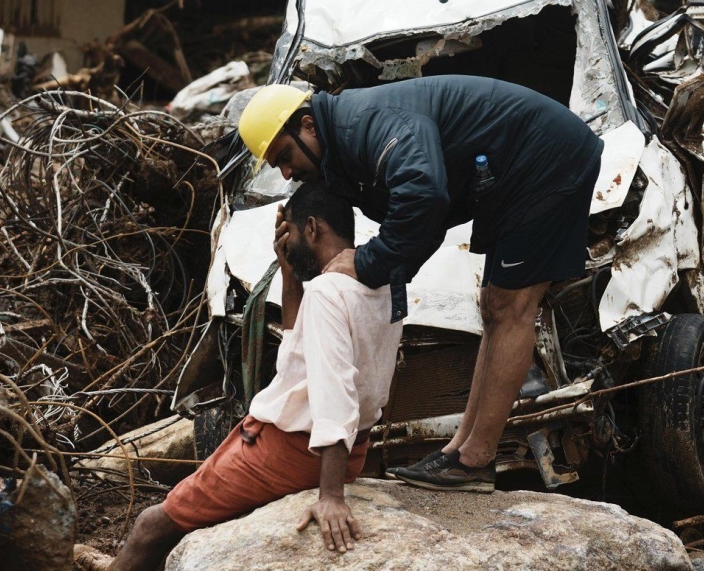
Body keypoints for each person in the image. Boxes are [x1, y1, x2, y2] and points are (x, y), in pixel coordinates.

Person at [237, 75, 603, 493]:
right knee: (492, 307)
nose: (288, 171)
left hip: (545, 158)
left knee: (512, 307)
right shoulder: (342, 147)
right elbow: (424, 219)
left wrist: (370, 262)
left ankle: (475, 460)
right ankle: (459, 451)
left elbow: (424, 195)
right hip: (509, 173)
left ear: (308, 125)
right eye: (277, 167)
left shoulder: (363, 125)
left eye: (285, 155)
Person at [104, 181, 403, 569]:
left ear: (312, 228)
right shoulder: (384, 281)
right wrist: (289, 271)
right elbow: (302, 351)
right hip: (347, 450)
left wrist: (330, 495)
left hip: (292, 449)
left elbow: (334, 394)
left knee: (151, 525)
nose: (287, 242)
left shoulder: (328, 291)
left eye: (291, 232)